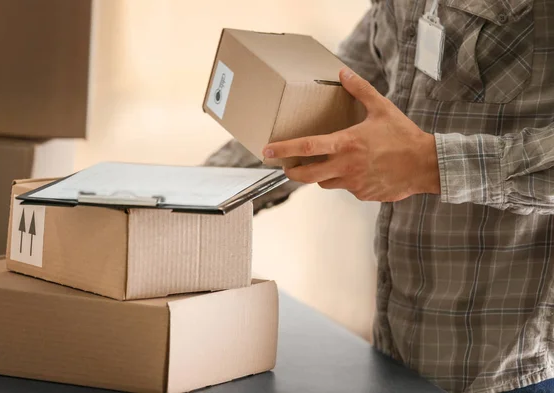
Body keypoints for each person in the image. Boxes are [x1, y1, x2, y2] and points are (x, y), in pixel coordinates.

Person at [206, 1, 554, 393]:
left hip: (520, 370)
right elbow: (321, 104)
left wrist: (429, 164)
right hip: (396, 354)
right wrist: (188, 202)